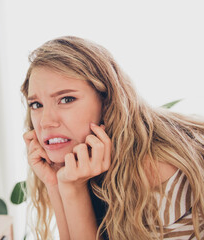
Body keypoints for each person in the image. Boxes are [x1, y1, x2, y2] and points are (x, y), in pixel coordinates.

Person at [21, 36, 204, 240]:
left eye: (66, 99)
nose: (46, 122)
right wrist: (56, 183)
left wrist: (72, 189)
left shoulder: (152, 169)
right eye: (36, 105)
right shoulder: (82, 165)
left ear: (107, 101)